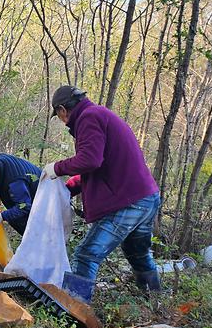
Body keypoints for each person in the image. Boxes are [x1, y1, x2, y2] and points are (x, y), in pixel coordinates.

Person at [42, 86, 161, 303]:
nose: (61, 120)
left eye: (58, 115)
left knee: (86, 254)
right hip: (146, 197)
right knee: (138, 255)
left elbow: (90, 160)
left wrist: (56, 168)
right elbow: (98, 167)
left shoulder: (89, 117)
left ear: (62, 110)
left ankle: (73, 311)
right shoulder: (98, 114)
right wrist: (68, 189)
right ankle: (155, 301)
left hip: (130, 202)